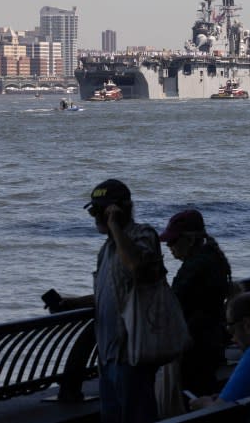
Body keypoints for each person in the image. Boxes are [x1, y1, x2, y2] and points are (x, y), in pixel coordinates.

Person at [58, 179, 165, 423]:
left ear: (120, 209)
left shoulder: (143, 235)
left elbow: (136, 266)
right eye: (93, 210)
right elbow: (107, 295)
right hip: (108, 355)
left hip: (133, 352)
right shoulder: (107, 249)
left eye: (101, 210)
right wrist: (71, 303)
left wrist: (115, 226)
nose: (95, 216)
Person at [159, 209, 232, 397]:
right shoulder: (213, 259)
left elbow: (174, 303)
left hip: (195, 344)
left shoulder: (194, 267)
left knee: (193, 394)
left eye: (173, 241)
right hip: (211, 341)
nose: (169, 246)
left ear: (190, 240)